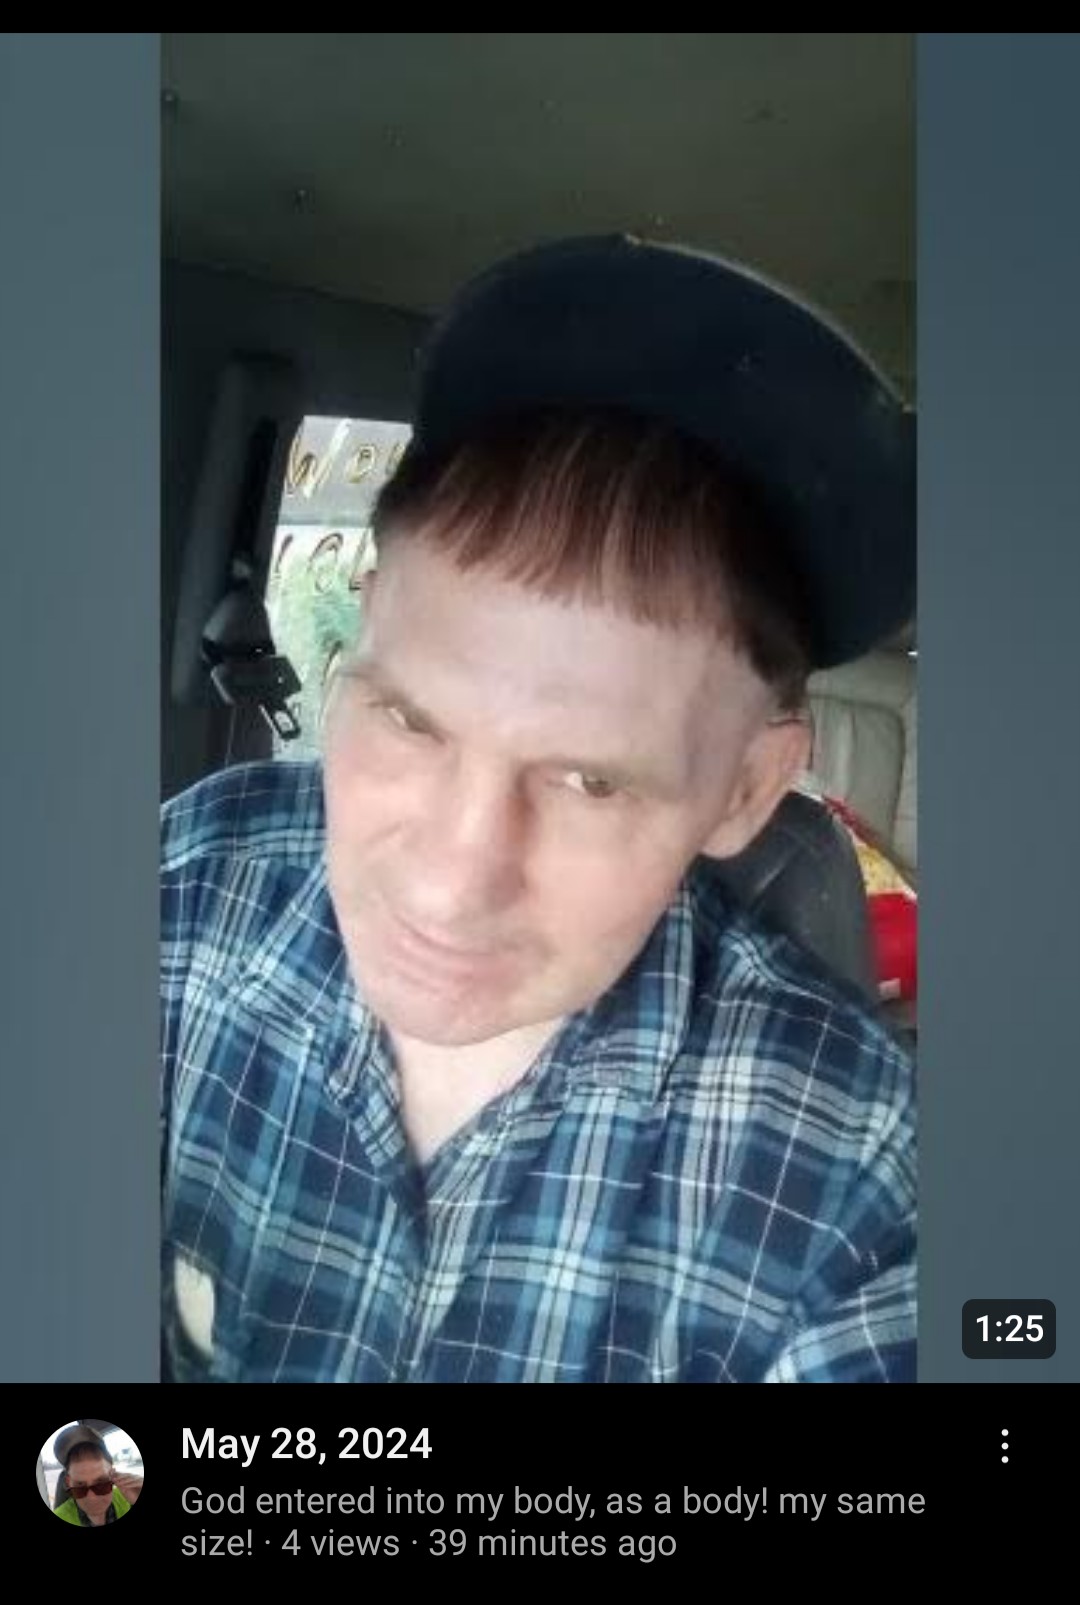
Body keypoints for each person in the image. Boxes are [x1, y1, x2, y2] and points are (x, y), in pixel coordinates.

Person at [162, 234, 916, 1383]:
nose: (448, 883)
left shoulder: (864, 1190)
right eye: (410, 719)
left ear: (747, 789)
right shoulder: (195, 879)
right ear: (361, 628)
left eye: (591, 782)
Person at [52, 1426, 142, 1525]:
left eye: (101, 1485)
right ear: (69, 1482)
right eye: (80, 1488)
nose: (92, 1498)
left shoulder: (126, 1497)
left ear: (113, 1476)